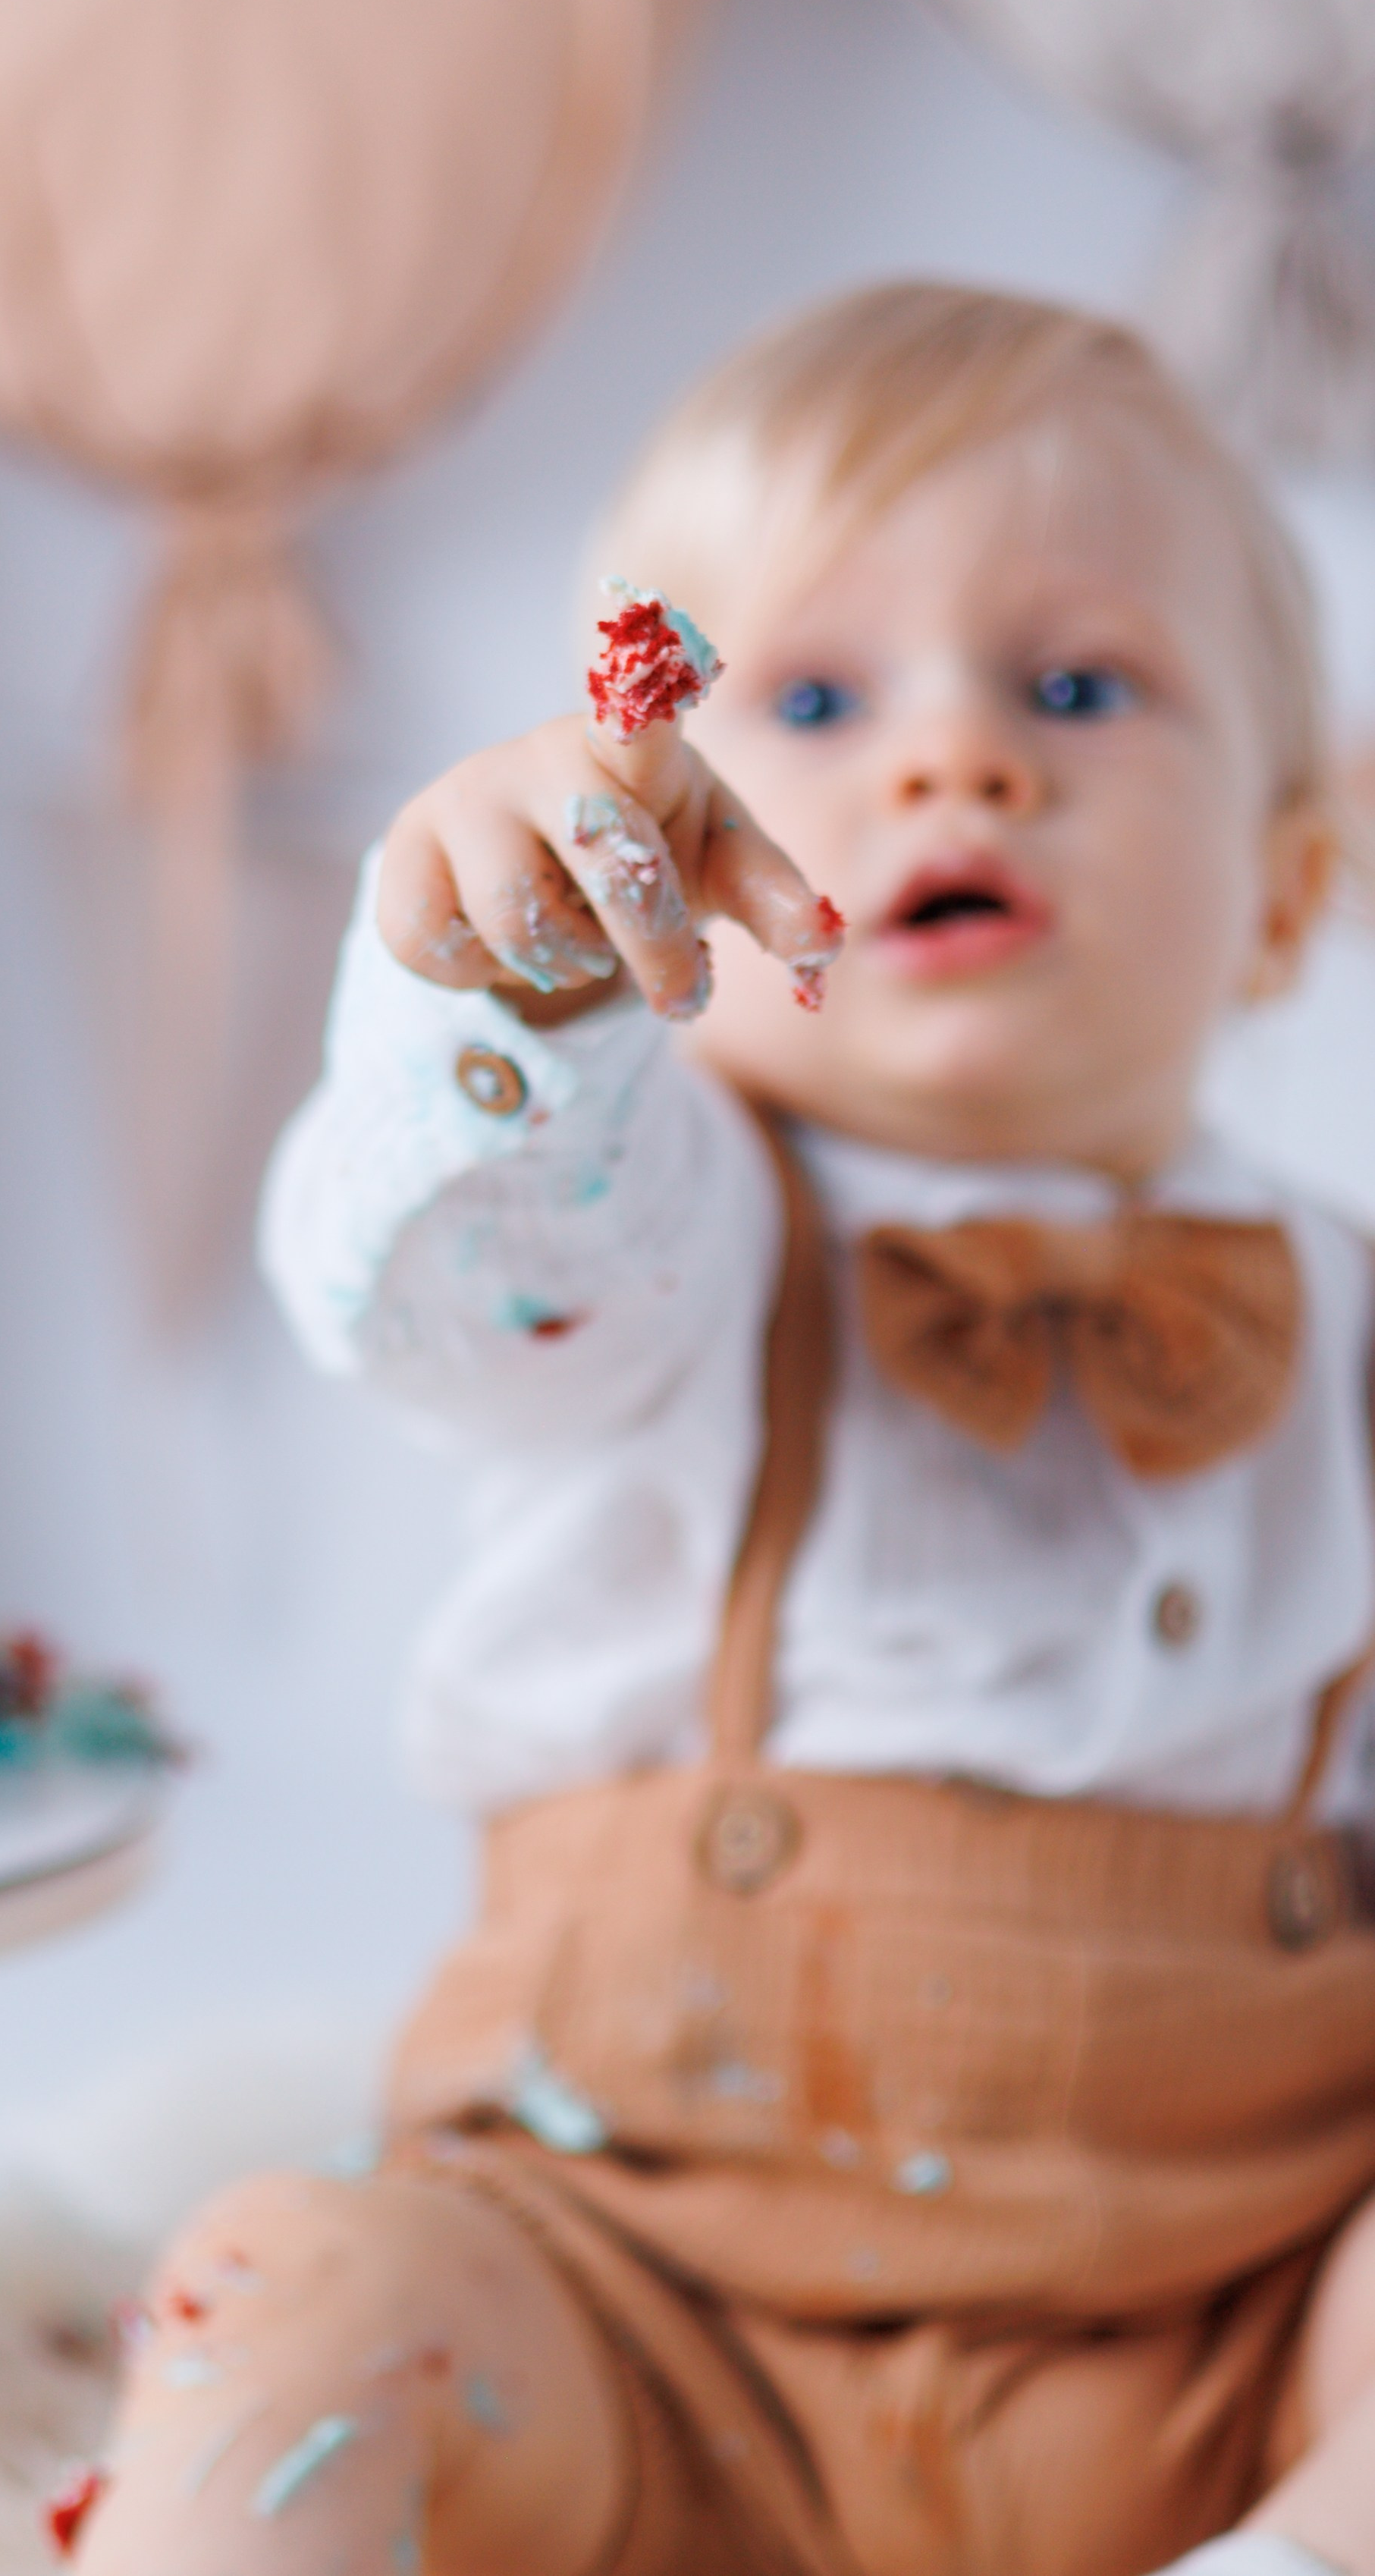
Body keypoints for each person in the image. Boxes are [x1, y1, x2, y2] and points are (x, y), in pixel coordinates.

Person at [74, 283, 1375, 2576]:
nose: (957, 759)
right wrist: (513, 1004)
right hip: (649, 2327)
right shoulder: (664, 1219)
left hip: (1226, 2351)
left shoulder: (1342, 1318)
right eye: (814, 696)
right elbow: (436, 1286)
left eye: (1079, 684)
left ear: (1288, 884)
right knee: (293, 2285)